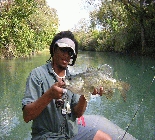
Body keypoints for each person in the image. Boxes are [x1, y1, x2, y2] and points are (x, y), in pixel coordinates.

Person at [22, 31, 112, 140]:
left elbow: (77, 113)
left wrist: (86, 93)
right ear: (54, 49)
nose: (66, 54)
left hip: (71, 133)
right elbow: (27, 116)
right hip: (46, 136)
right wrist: (49, 95)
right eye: (63, 50)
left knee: (105, 138)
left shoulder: (74, 79)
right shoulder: (37, 75)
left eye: (70, 52)